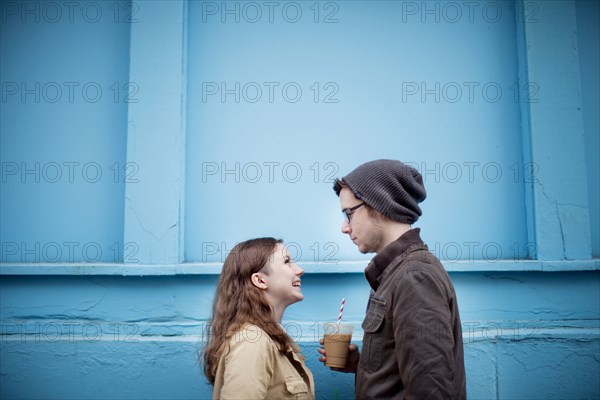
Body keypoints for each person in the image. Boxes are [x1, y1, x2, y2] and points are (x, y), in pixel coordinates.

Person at [318, 159, 466, 399]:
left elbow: (431, 391)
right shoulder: (397, 272)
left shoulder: (415, 278)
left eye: (349, 214)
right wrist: (362, 365)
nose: (344, 228)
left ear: (377, 206)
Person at [203, 237, 314, 400]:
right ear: (260, 280)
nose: (299, 270)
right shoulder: (251, 341)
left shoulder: (268, 338)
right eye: (287, 262)